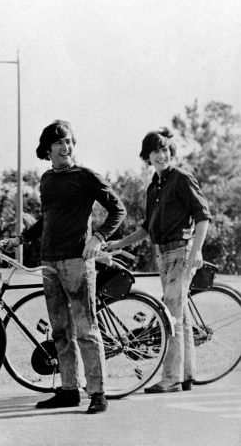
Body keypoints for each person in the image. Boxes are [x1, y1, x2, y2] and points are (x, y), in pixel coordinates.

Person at [0, 120, 126, 414]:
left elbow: (118, 209)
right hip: (49, 262)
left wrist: (98, 237)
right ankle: (69, 390)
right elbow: (47, 218)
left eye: (69, 142)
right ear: (48, 149)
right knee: (59, 331)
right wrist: (20, 238)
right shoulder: (47, 179)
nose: (66, 148)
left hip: (77, 262)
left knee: (86, 329)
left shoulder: (86, 176)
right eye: (59, 144)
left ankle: (98, 393)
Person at [105, 127, 211, 394]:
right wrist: (118, 243)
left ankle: (171, 379)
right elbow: (146, 228)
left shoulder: (182, 178)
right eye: (155, 151)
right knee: (181, 316)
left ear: (170, 152)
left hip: (181, 253)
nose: (160, 155)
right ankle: (186, 375)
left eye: (164, 150)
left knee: (171, 315)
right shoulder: (154, 186)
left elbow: (202, 216)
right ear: (147, 157)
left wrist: (196, 251)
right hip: (163, 255)